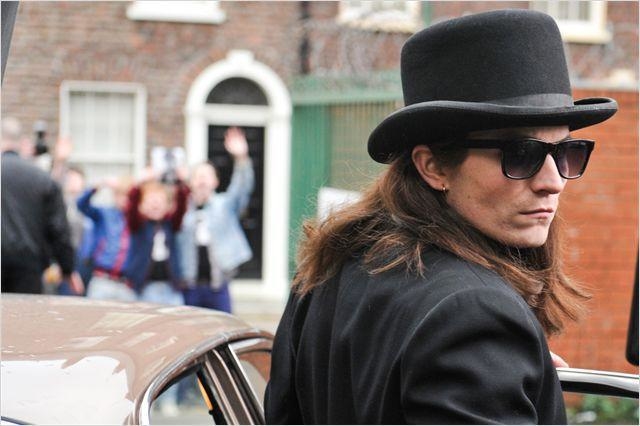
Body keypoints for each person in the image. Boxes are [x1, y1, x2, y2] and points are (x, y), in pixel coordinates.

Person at [265, 9, 618, 424]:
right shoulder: (474, 313)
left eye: (567, 152)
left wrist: (509, 373)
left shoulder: (328, 267)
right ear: (433, 167)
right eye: (521, 154)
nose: (553, 181)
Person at [1, 117, 83, 295]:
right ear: (20, 142)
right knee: (23, 313)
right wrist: (68, 269)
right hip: (28, 268)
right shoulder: (42, 179)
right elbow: (58, 228)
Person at [177, 126, 254, 313]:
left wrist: (242, 159)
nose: (202, 180)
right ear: (190, 182)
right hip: (189, 285)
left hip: (218, 285)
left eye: (207, 176)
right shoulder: (180, 208)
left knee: (224, 326)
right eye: (198, 176)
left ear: (215, 182)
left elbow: (242, 188)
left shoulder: (224, 205)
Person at [124, 170, 189, 305]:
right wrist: (139, 183)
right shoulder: (138, 225)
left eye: (159, 201)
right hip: (144, 288)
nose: (155, 205)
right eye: (150, 201)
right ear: (142, 205)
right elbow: (131, 205)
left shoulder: (171, 225)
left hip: (171, 288)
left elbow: (182, 206)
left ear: (167, 206)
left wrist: (181, 183)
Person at [77, 175, 134, 301]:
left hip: (126, 283)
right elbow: (81, 204)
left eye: (128, 196)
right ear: (115, 196)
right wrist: (98, 186)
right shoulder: (105, 213)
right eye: (121, 195)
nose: (125, 200)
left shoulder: (136, 221)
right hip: (102, 279)